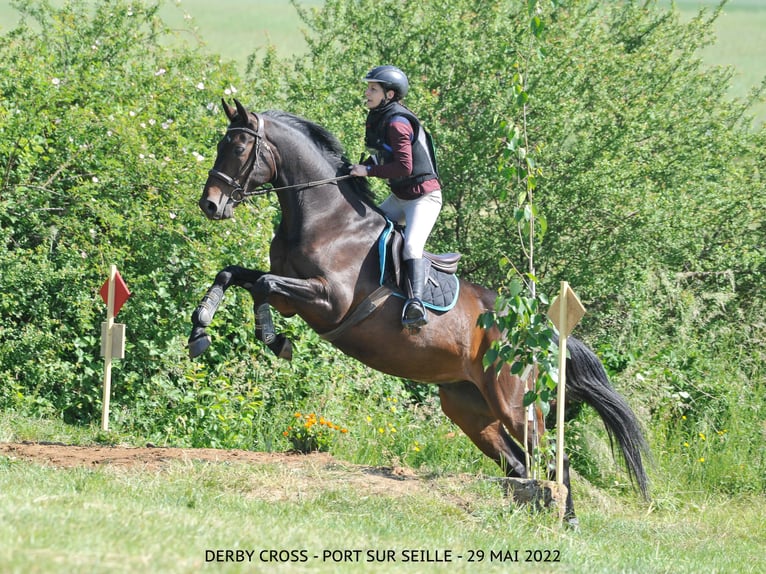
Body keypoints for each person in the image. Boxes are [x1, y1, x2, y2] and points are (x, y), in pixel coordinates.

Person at [349, 65, 442, 329]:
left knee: (412, 246)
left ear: (389, 95)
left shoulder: (397, 123)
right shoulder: (379, 117)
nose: (366, 93)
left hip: (423, 199)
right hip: (400, 197)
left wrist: (367, 171)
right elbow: (384, 154)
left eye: (372, 89)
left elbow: (404, 167)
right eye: (368, 88)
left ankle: (416, 304)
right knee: (367, 230)